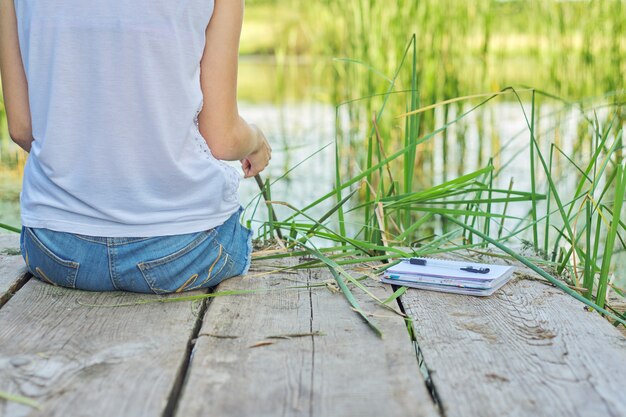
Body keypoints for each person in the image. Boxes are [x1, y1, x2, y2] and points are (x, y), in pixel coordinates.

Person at [0, 0, 270, 293]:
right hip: (184, 250)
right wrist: (255, 140)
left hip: (55, 250)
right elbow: (223, 139)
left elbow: (22, 129)